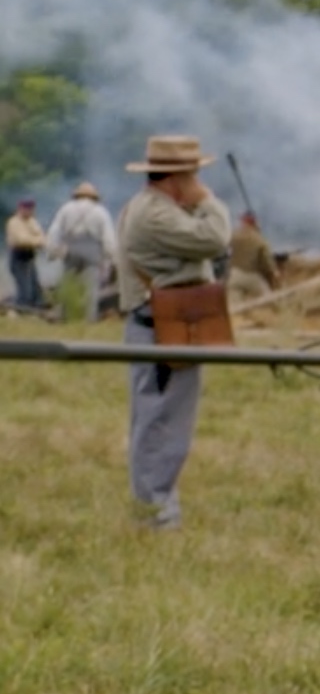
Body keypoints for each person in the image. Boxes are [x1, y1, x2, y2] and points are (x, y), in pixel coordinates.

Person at [117, 135, 236, 530]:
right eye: (193, 175)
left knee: (161, 420)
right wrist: (206, 200)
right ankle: (155, 516)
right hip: (160, 331)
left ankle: (156, 509)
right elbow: (215, 239)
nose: (198, 182)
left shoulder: (155, 208)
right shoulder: (156, 214)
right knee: (161, 424)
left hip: (165, 327)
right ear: (178, 177)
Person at [46, 182, 114, 322]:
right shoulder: (100, 211)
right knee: (92, 287)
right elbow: (108, 237)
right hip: (92, 251)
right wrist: (110, 255)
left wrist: (53, 251)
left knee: (67, 282)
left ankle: (63, 316)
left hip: (71, 250)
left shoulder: (66, 209)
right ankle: (90, 318)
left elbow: (55, 231)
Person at [227, 211, 281, 300]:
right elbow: (267, 261)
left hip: (234, 276)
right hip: (252, 276)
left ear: (243, 222)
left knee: (233, 307)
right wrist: (274, 272)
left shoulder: (234, 235)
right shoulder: (260, 239)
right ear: (255, 223)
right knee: (268, 300)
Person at [5, 199, 42, 310]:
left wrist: (36, 240)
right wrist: (35, 240)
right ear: (21, 209)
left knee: (35, 291)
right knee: (25, 291)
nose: (29, 211)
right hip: (18, 258)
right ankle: (17, 307)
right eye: (26, 208)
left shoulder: (32, 222)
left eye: (31, 208)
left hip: (29, 257)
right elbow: (21, 240)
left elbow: (42, 237)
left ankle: (34, 307)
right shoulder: (14, 222)